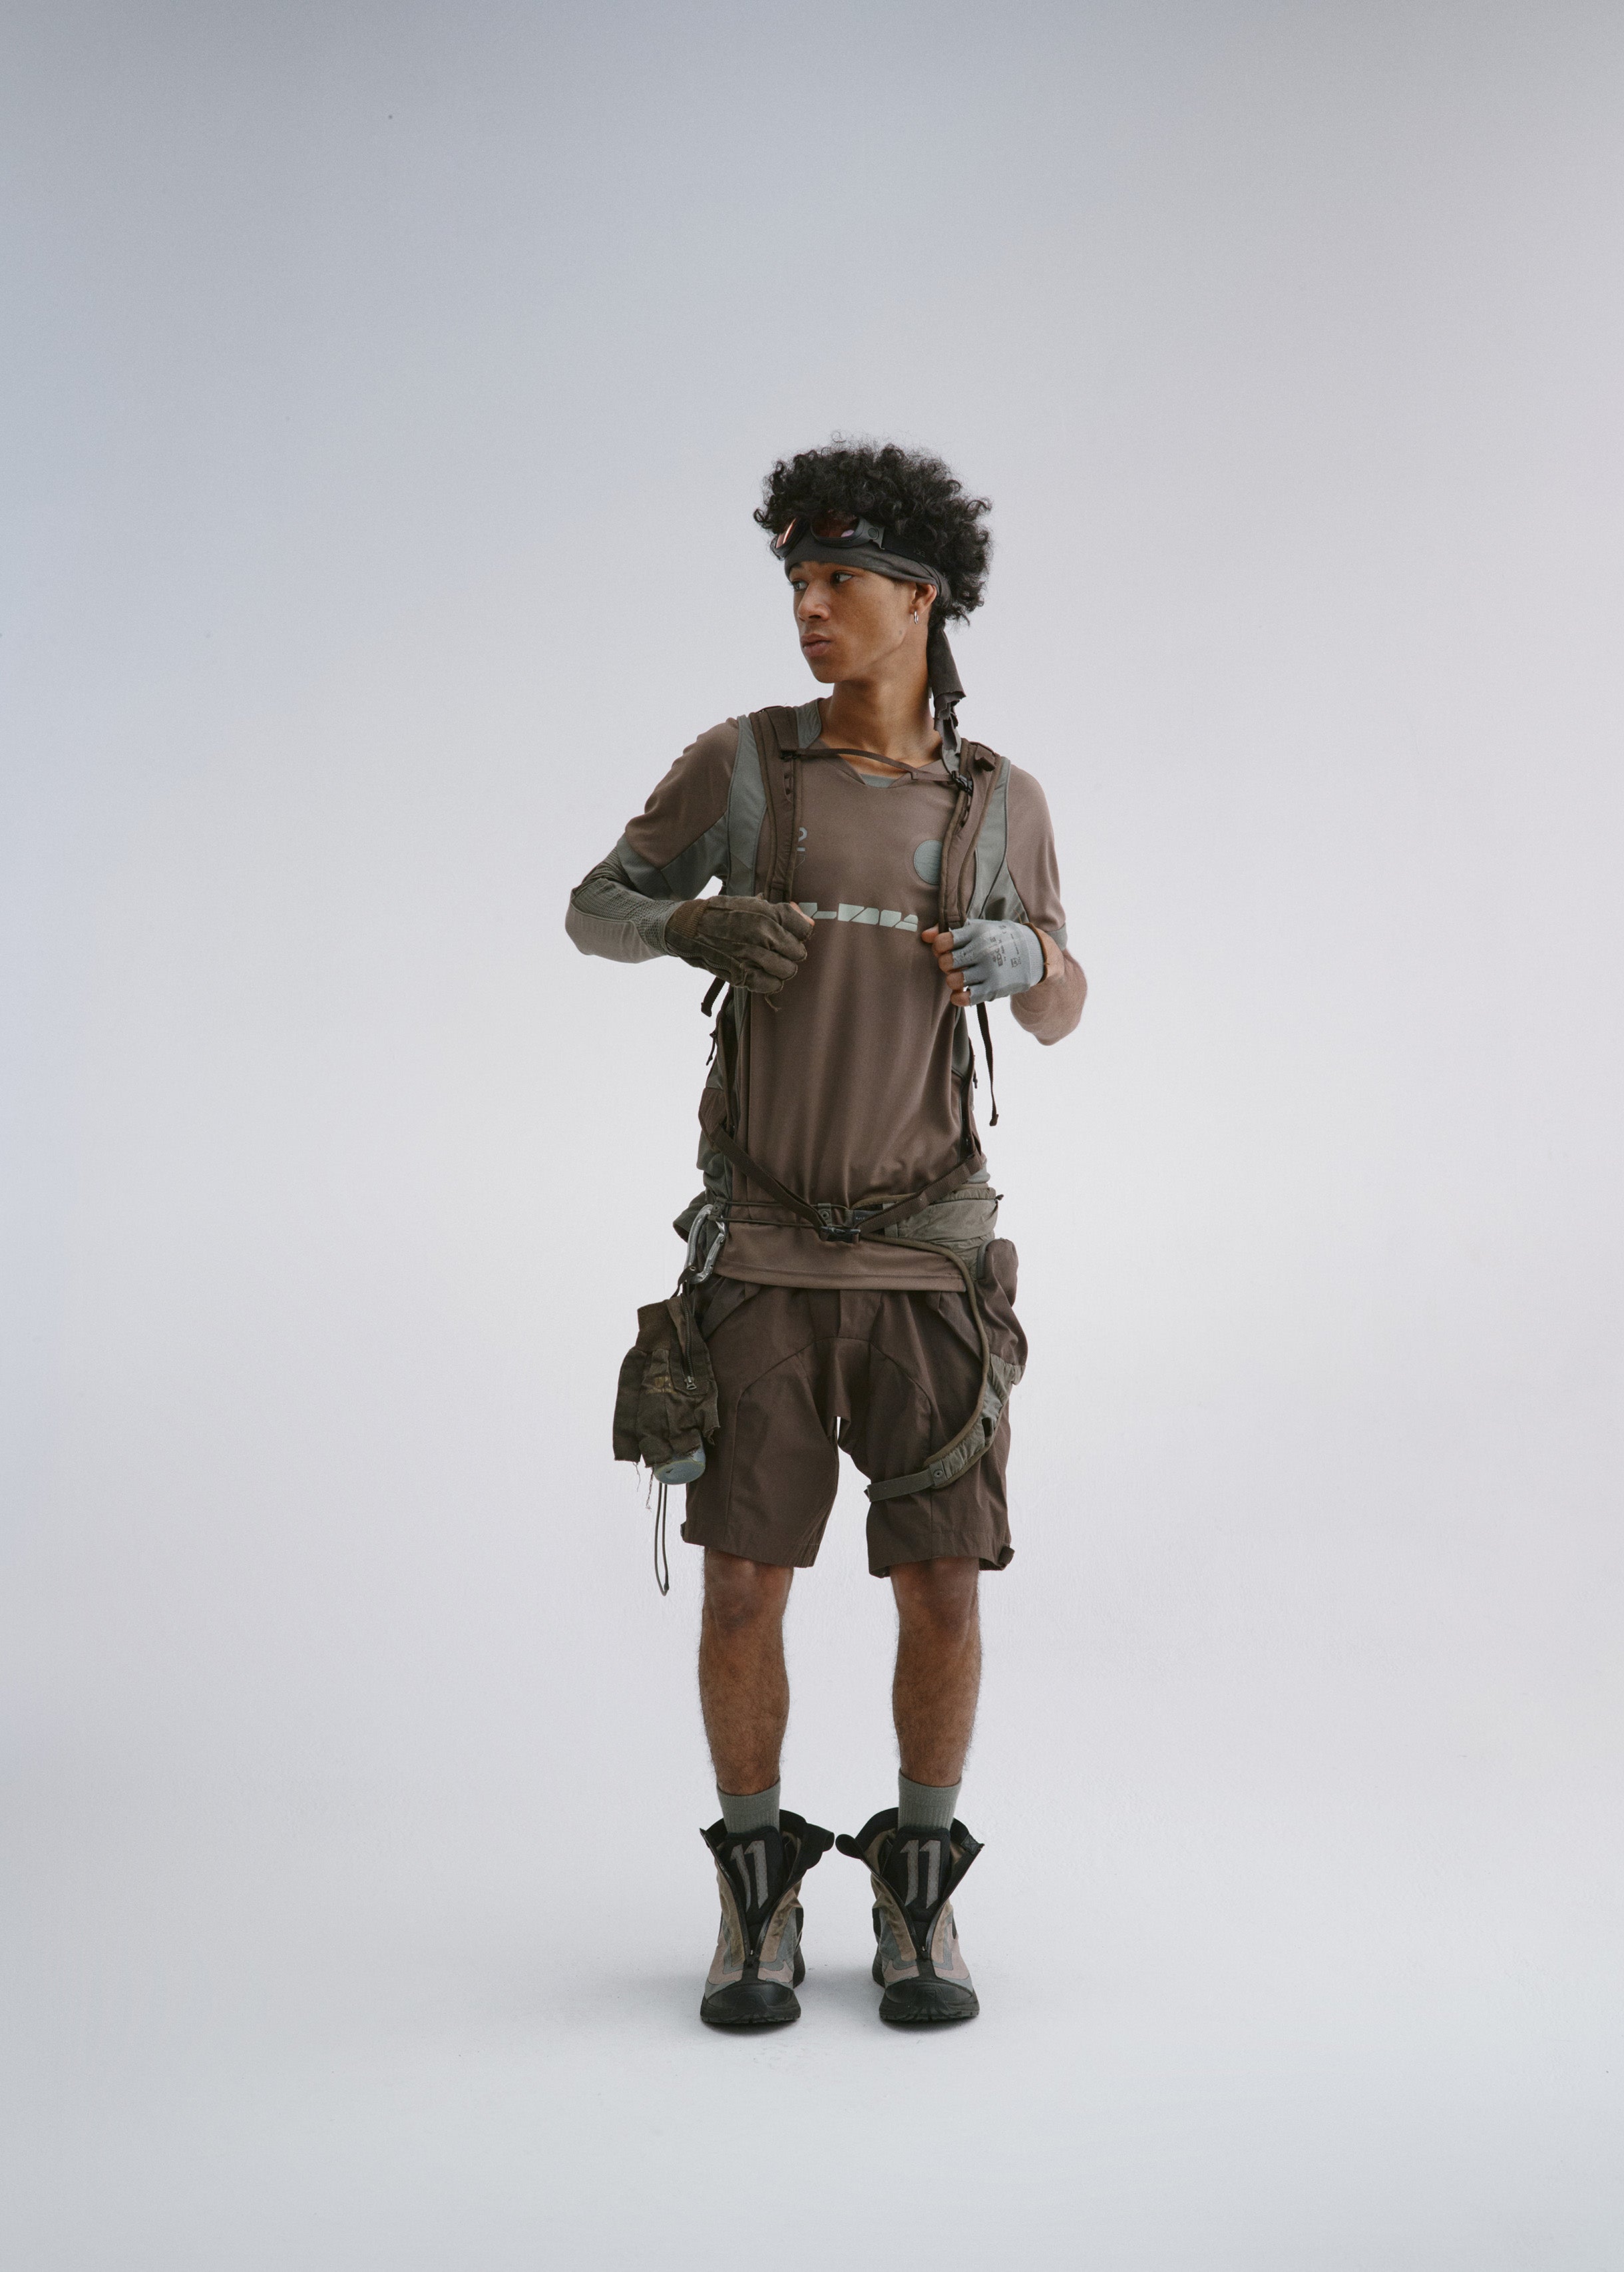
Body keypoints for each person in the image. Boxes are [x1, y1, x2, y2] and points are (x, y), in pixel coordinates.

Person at [565, 440, 1086, 2029]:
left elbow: (1063, 998)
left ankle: (918, 1885)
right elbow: (594, 904)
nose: (806, 606)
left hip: (931, 1268)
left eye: (837, 578)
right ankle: (755, 1888)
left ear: (919, 598)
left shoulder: (999, 802)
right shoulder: (743, 766)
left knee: (943, 1588)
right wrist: (686, 921)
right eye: (793, 579)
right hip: (763, 1263)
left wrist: (1028, 961)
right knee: (741, 1588)